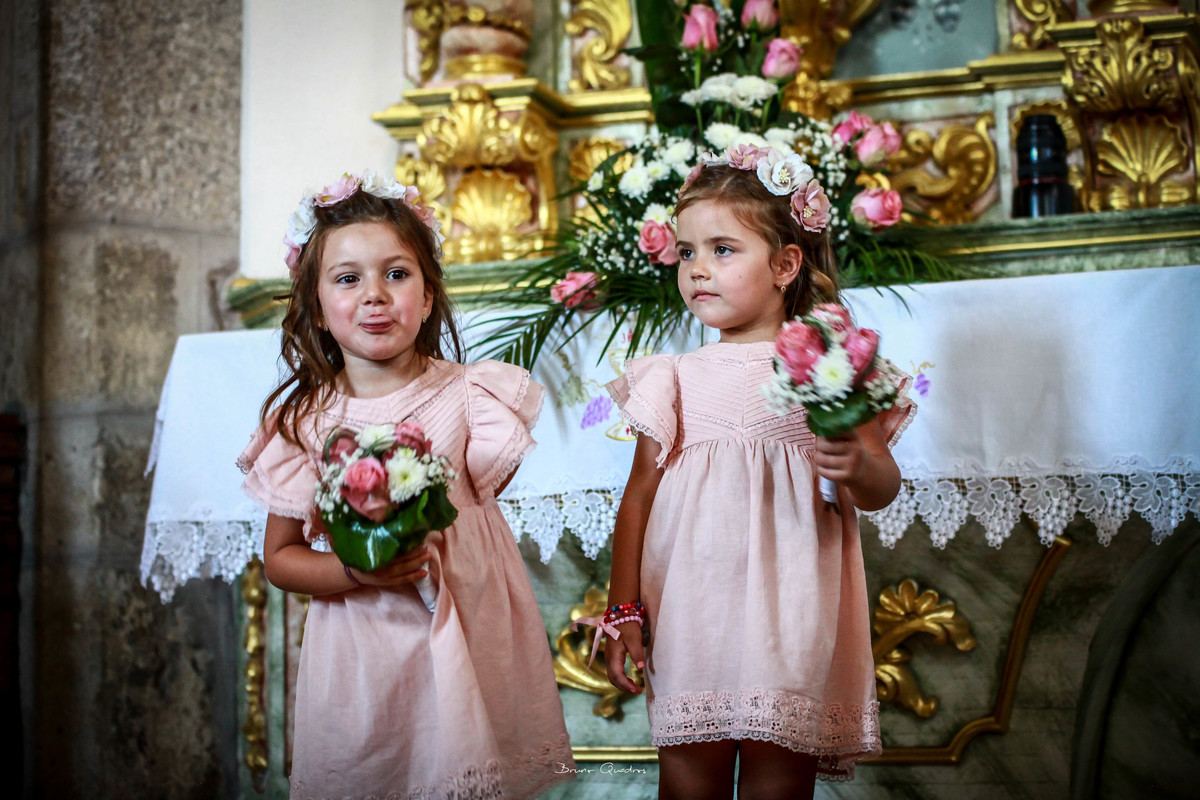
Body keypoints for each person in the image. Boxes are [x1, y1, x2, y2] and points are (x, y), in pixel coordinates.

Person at [237, 172, 573, 799]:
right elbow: (280, 559)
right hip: (363, 652)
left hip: (468, 633)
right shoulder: (304, 422)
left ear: (427, 294)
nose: (375, 295)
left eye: (396, 274)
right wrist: (355, 571)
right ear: (316, 307)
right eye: (347, 279)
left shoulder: (473, 396)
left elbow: (478, 519)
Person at [601, 147, 916, 800]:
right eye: (686, 252)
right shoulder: (672, 377)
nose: (697, 269)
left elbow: (882, 487)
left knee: (779, 780)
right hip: (689, 613)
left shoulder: (830, 369)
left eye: (722, 250)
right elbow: (638, 500)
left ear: (785, 265)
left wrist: (857, 465)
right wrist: (622, 609)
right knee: (689, 781)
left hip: (791, 612)